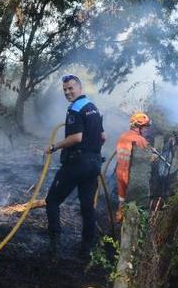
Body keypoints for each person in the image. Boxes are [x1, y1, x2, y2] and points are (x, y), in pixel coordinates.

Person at [44, 74, 105, 258]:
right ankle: (86, 248)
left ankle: (54, 245)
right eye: (65, 89)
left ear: (80, 88)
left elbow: (76, 138)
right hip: (94, 163)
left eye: (71, 88)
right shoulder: (93, 108)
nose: (68, 92)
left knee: (52, 201)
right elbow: (103, 137)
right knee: (87, 206)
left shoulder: (75, 110)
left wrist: (54, 147)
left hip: (77, 163)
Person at [114, 112, 151, 223]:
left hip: (120, 173)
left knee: (121, 201)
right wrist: (152, 156)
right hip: (131, 177)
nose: (146, 130)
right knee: (134, 209)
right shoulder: (140, 140)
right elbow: (145, 161)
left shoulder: (123, 136)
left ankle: (118, 223)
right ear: (140, 127)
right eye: (145, 127)